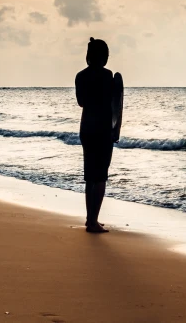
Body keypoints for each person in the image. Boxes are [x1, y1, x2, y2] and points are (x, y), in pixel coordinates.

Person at [75, 37, 114, 233]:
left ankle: (90, 219)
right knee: (100, 177)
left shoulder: (80, 76)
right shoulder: (108, 76)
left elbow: (81, 102)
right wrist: (116, 130)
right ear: (104, 56)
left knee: (90, 176)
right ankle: (93, 222)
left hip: (86, 127)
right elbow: (115, 106)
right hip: (103, 129)